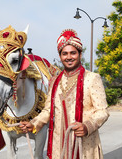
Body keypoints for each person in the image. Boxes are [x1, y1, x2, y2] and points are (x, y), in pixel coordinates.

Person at [19, 29, 109, 159]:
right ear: (60, 56)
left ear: (80, 54)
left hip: (84, 144)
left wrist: (87, 126)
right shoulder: (55, 81)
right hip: (59, 146)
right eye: (64, 53)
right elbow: (48, 110)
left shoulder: (92, 78)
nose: (69, 57)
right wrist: (33, 123)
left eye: (73, 53)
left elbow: (102, 111)